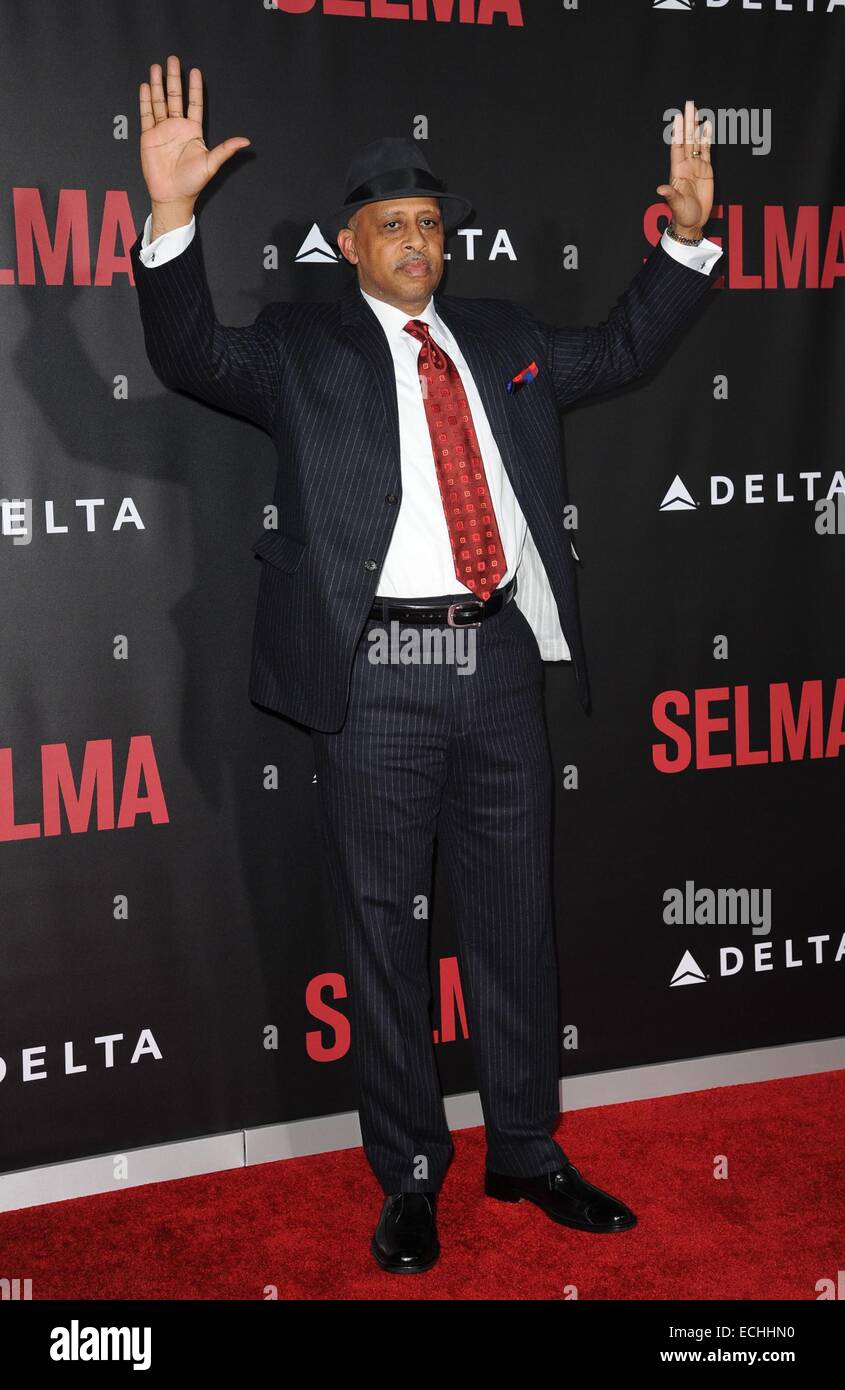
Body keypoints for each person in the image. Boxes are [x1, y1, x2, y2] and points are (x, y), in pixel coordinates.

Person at [131, 56, 723, 1274]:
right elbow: (187, 352)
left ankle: (525, 1150)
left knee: (516, 920)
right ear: (349, 246)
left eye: (430, 225)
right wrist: (174, 217)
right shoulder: (299, 347)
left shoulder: (501, 337)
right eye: (391, 224)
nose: (416, 239)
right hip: (376, 669)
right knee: (384, 936)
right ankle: (409, 1173)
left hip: (498, 656)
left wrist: (686, 240)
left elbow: (617, 351)